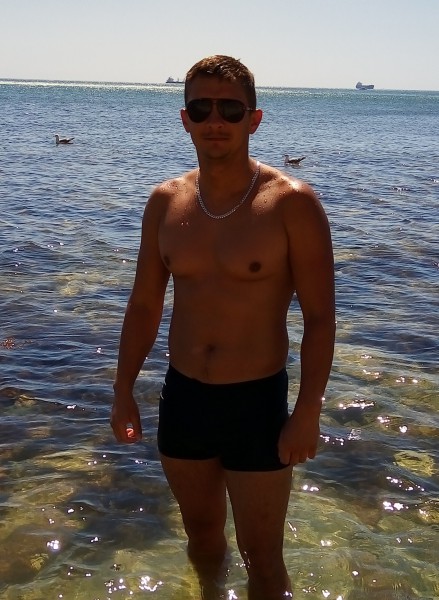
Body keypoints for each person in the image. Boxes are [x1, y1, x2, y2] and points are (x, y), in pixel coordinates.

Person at [111, 55, 335, 600]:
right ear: (184, 119)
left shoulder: (291, 203)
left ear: (254, 119)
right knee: (203, 540)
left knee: (263, 558)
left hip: (256, 402)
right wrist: (122, 389)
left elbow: (320, 318)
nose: (215, 120)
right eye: (201, 108)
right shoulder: (165, 202)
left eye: (230, 109)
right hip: (184, 396)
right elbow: (144, 305)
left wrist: (307, 411)